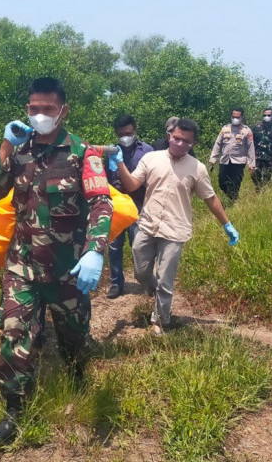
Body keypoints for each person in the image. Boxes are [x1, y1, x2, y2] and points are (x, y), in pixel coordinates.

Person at [0, 77, 113, 444]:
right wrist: (5, 146)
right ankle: (14, 409)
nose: (39, 115)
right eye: (33, 109)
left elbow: (102, 203)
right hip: (21, 266)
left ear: (63, 111)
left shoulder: (82, 153)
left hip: (67, 269)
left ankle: (75, 376)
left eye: (48, 109)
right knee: (14, 335)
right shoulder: (20, 150)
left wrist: (94, 249)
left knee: (74, 337)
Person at [109, 118, 239, 334]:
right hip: (148, 225)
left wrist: (227, 224)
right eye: (176, 138)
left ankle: (160, 320)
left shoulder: (197, 168)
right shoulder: (151, 158)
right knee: (140, 273)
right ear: (170, 135)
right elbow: (132, 185)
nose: (179, 143)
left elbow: (210, 198)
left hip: (175, 230)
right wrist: (120, 163)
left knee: (166, 280)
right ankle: (156, 290)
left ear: (192, 144)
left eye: (185, 141)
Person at [105, 114, 153, 298]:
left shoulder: (147, 151)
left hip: (139, 205)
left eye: (128, 133)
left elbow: (151, 178)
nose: (125, 137)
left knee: (139, 245)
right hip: (117, 206)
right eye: (121, 134)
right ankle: (116, 283)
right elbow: (108, 178)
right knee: (115, 247)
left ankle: (147, 281)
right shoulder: (112, 151)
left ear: (135, 130)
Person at [209, 108, 256, 202]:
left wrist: (251, 164)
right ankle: (233, 198)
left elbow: (251, 148)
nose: (235, 119)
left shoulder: (247, 130)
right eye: (233, 117)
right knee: (222, 183)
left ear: (241, 117)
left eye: (237, 117)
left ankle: (233, 202)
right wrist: (213, 158)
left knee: (235, 183)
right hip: (225, 160)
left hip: (239, 161)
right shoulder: (225, 128)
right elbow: (218, 144)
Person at [251, 108, 272, 191]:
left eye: (269, 115)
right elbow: (251, 142)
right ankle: (258, 187)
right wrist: (250, 155)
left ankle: (264, 191)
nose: (266, 117)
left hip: (269, 156)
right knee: (255, 174)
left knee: (267, 175)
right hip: (257, 156)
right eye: (265, 115)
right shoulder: (257, 127)